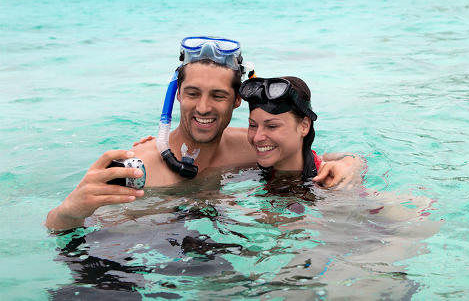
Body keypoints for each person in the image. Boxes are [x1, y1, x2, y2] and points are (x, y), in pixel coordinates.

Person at [45, 37, 362, 231]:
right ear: (178, 94)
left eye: (218, 96)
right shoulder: (139, 167)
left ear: (237, 101)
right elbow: (76, 231)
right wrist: (67, 212)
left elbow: (309, 155)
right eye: (193, 93)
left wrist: (350, 163)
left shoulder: (252, 145)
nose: (204, 108)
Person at [240, 76, 362, 189]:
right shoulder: (247, 169)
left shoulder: (329, 182)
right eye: (253, 125)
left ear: (304, 126)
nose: (257, 137)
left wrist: (351, 163)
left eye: (272, 126)